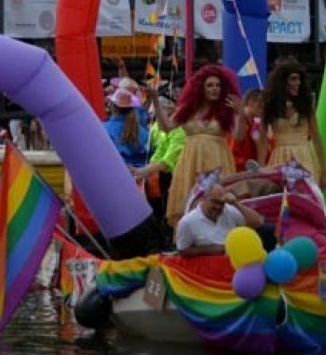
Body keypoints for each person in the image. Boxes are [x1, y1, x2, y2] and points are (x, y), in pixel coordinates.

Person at [159, 65, 243, 225]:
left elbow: (238, 136)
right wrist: (156, 102)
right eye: (210, 85)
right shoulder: (187, 109)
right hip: (191, 162)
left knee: (217, 201)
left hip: (218, 162)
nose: (214, 89)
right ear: (200, 88)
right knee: (189, 201)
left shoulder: (226, 111)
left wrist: (240, 113)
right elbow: (166, 127)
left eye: (218, 85)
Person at [260, 60, 326, 186]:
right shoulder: (269, 105)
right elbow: (262, 141)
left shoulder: (306, 104)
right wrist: (261, 169)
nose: (298, 83)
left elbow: (316, 137)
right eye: (293, 79)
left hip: (305, 157)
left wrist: (324, 171)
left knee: (305, 197)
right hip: (280, 158)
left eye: (299, 79)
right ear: (282, 81)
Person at [174, 183, 265, 256]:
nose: (218, 207)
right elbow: (182, 250)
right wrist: (213, 249)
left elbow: (258, 223)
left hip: (236, 261)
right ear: (203, 198)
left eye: (221, 203)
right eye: (214, 202)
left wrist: (236, 203)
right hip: (209, 266)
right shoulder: (187, 222)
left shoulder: (228, 209)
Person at [103, 87, 152, 169]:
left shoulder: (104, 129)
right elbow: (150, 153)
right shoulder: (142, 131)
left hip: (115, 173)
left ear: (113, 107)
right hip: (141, 175)